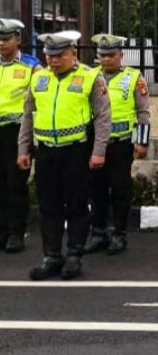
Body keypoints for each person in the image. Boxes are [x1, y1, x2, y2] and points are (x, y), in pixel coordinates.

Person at [17, 31, 111, 280]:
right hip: (46, 150)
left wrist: (99, 151)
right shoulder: (39, 79)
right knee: (48, 205)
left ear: (73, 54)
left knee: (77, 204)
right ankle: (51, 256)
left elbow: (103, 118)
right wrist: (23, 149)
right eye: (49, 56)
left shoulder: (91, 77)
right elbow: (28, 116)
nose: (54, 61)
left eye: (59, 55)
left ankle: (74, 254)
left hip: (76, 150)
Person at [84, 34, 150, 256]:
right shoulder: (89, 76)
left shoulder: (134, 77)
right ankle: (98, 233)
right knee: (96, 189)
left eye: (111, 55)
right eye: (102, 55)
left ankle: (119, 234)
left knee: (120, 190)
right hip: (95, 144)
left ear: (121, 56)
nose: (106, 60)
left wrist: (142, 142)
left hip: (121, 144)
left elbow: (143, 112)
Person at [0, 19, 41, 254]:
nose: (1, 43)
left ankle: (16, 233)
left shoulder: (31, 66)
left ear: (18, 39)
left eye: (6, 39)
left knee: (15, 184)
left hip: (16, 133)